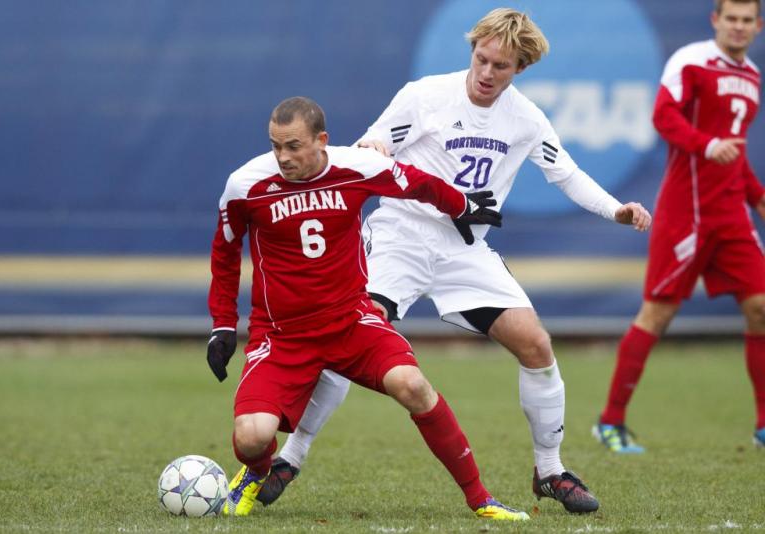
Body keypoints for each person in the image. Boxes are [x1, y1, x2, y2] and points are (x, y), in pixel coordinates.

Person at [258, 8, 652, 514]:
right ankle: (292, 455)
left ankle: (550, 470)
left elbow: (567, 174)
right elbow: (371, 146)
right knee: (348, 336)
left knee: (535, 344)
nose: (487, 73)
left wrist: (616, 209)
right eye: (482, 59)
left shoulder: (526, 118)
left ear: (520, 69)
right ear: (472, 49)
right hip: (400, 236)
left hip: (464, 249)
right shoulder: (424, 95)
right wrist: (377, 144)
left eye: (502, 67)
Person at [206, 95, 530, 521]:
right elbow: (225, 251)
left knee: (413, 386)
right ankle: (256, 471)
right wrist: (223, 325)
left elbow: (417, 182)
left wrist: (463, 207)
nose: (283, 157)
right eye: (275, 146)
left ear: (322, 140)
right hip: (282, 335)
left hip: (351, 321)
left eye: (294, 146)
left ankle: (481, 499)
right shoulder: (246, 185)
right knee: (251, 436)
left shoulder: (357, 167)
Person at [594, 0, 765, 453]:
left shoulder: (751, 77)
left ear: (758, 26)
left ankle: (764, 425)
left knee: (762, 307)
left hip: (731, 215)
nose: (739, 27)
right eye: (732, 18)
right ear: (716, 21)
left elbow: (736, 150)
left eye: (748, 20)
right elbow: (663, 116)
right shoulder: (691, 60)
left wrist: (756, 195)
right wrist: (705, 145)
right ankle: (610, 422)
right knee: (658, 314)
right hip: (686, 213)